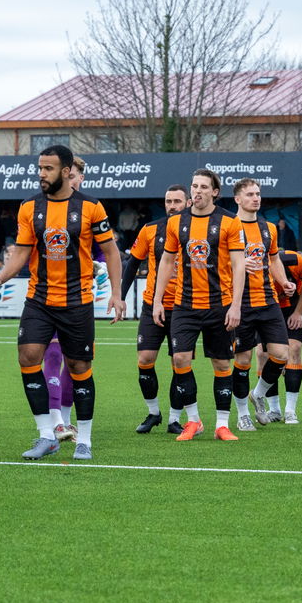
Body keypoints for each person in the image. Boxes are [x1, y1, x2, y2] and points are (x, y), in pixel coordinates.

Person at [0, 144, 125, 462]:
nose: (41, 174)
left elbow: (111, 252)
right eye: (39, 168)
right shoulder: (29, 208)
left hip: (77, 299)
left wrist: (117, 294)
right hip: (39, 299)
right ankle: (46, 435)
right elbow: (22, 252)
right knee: (28, 357)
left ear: (67, 172)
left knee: (80, 367)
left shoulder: (92, 207)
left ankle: (85, 439)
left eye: (48, 168)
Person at [152, 168, 245, 442]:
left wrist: (236, 305)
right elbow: (167, 262)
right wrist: (158, 300)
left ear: (215, 192)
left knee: (221, 363)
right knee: (179, 359)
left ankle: (222, 425)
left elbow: (239, 265)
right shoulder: (176, 222)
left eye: (204, 187)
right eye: (195, 186)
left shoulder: (230, 222)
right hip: (184, 305)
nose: (198, 191)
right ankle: (193, 421)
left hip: (220, 304)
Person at [121, 183, 193, 436]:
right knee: (145, 359)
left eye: (177, 201)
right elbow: (132, 264)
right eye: (168, 201)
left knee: (179, 362)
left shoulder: (198, 230)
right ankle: (153, 413)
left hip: (185, 307)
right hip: (153, 304)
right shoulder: (151, 229)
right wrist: (120, 295)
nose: (172, 206)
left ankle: (175, 419)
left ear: (189, 203)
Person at [230, 179, 296, 431]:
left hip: (268, 301)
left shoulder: (268, 228)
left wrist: (284, 282)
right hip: (241, 303)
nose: (255, 198)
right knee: (243, 359)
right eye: (249, 194)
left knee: (281, 354)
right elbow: (215, 263)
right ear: (237, 199)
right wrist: (236, 265)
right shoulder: (228, 227)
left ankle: (258, 394)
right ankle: (243, 413)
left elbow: (274, 259)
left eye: (258, 194)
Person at [43, 156, 88, 442]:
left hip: (80, 297)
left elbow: (98, 248)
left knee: (77, 361)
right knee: (53, 354)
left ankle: (66, 418)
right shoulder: (43, 206)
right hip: (48, 295)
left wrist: (97, 265)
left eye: (75, 178)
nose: (71, 182)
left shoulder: (88, 208)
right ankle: (55, 420)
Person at [255, 248, 302, 425]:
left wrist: (298, 312)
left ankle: (290, 410)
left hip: (293, 309)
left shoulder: (295, 261)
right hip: (267, 310)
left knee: (294, 350)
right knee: (262, 354)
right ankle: (274, 409)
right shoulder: (256, 266)